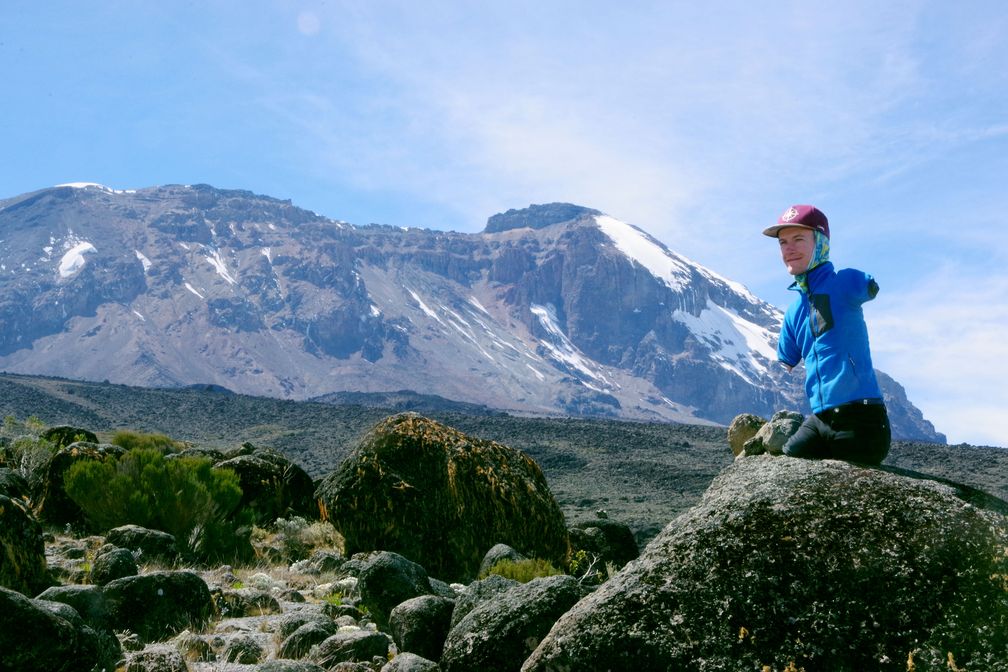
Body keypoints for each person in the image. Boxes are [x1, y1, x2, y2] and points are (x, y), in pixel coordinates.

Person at [763, 204, 891, 465]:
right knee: (786, 468)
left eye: (799, 239)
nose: (789, 248)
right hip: (820, 421)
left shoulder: (844, 283)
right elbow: (787, 359)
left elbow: (868, 285)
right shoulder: (793, 312)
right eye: (783, 242)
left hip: (861, 418)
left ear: (820, 242)